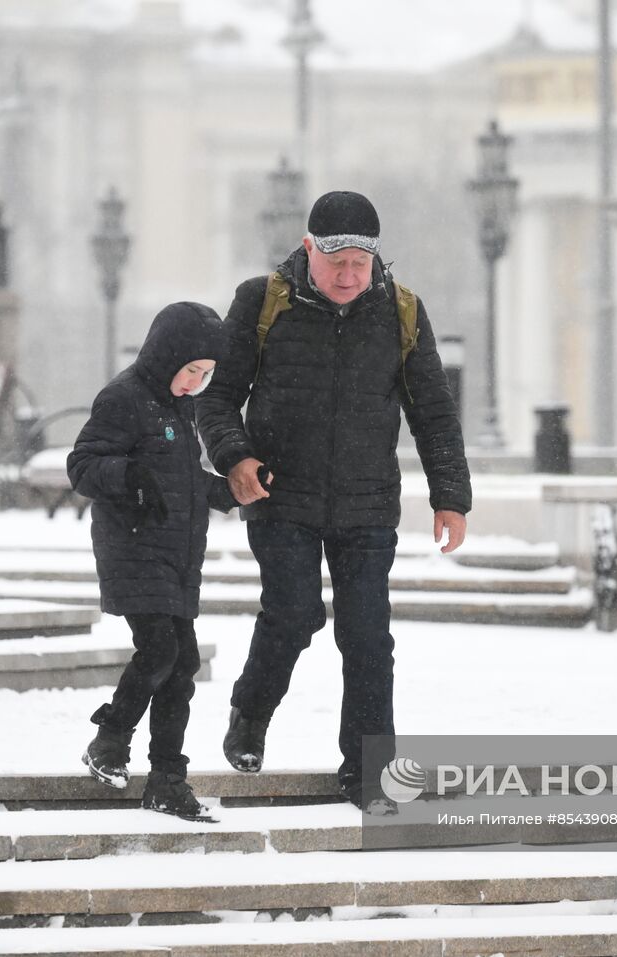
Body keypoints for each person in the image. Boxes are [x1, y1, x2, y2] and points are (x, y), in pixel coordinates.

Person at [197, 190, 472, 815]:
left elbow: (432, 413)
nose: (349, 277)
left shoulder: (401, 312)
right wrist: (235, 458)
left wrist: (450, 495)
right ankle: (250, 711)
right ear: (308, 250)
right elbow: (215, 401)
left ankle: (370, 772)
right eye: (335, 263)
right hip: (280, 494)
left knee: (369, 637)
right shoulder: (261, 302)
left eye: (360, 265)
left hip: (368, 504)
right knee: (293, 617)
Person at [67, 301, 237, 821]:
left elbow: (179, 479)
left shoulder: (177, 408)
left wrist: (227, 491)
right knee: (161, 651)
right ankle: (109, 741)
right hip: (133, 548)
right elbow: (83, 464)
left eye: (206, 375)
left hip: (176, 556)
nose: (196, 384)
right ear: (167, 357)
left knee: (181, 664)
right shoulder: (124, 398)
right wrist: (128, 477)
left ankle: (166, 779)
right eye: (192, 371)